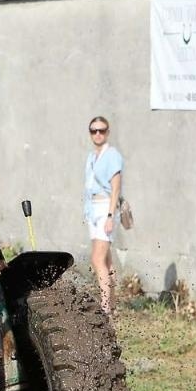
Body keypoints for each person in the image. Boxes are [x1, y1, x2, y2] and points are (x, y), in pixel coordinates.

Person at [83, 116, 123, 316]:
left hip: (105, 208)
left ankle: (105, 307)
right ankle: (112, 305)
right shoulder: (92, 157)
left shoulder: (112, 155)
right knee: (106, 261)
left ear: (107, 132)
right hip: (93, 209)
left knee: (97, 259)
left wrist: (110, 215)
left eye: (101, 130)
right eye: (93, 130)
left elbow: (116, 187)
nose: (97, 134)